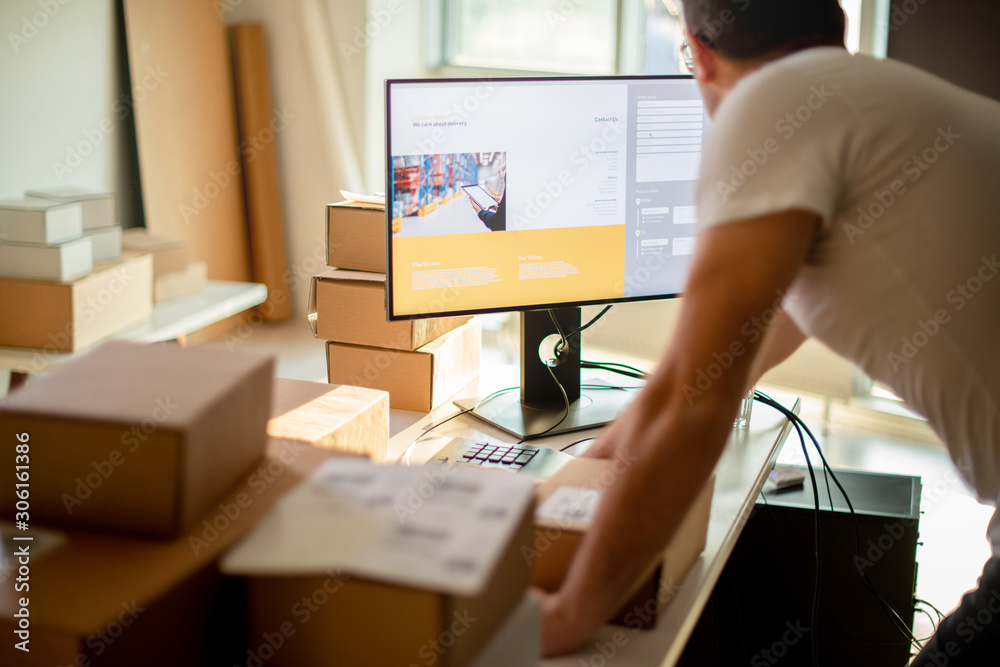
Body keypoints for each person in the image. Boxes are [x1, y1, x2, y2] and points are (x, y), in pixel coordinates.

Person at [537, 0, 1000, 663]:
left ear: (698, 55)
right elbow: (688, 382)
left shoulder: (776, 102)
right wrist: (562, 491)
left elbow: (692, 407)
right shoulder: (872, 105)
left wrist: (567, 616)